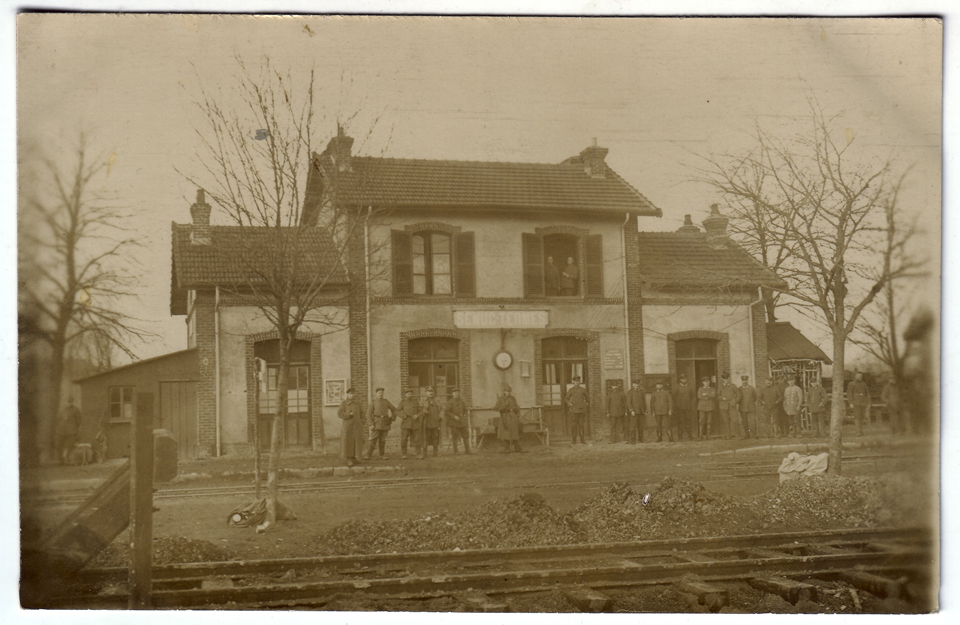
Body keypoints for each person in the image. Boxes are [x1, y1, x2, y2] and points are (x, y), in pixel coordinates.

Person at [364, 387, 397, 460]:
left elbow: (394, 409)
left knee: (382, 440)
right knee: (373, 439)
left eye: (382, 393)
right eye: (379, 393)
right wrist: (371, 424)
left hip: (385, 423)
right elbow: (368, 414)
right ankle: (368, 455)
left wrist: (392, 417)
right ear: (376, 394)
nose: (381, 394)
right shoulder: (373, 402)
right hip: (376, 423)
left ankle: (382, 455)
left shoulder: (386, 402)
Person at [337, 388, 363, 467]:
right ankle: (348, 459)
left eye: (353, 393)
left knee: (356, 441)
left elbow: (362, 413)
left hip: (357, 425)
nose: (352, 395)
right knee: (348, 441)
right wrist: (348, 414)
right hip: (348, 426)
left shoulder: (358, 403)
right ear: (347, 395)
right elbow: (339, 414)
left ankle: (354, 457)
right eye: (350, 393)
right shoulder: (344, 403)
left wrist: (363, 421)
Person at [494, 384, 522, 452]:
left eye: (509, 391)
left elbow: (517, 406)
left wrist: (517, 412)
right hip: (505, 417)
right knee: (505, 433)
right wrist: (503, 406)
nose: (508, 393)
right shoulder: (501, 399)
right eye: (507, 391)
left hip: (513, 417)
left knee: (514, 432)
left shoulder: (513, 398)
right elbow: (496, 408)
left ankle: (517, 448)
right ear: (504, 391)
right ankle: (507, 448)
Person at [443, 388, 471, 454]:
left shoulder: (462, 401)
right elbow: (446, 412)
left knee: (465, 435)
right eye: (455, 393)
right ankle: (456, 451)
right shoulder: (450, 402)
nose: (457, 394)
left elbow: (465, 410)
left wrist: (461, 416)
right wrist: (454, 416)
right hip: (454, 422)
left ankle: (467, 451)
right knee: (454, 436)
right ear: (452, 394)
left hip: (461, 422)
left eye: (458, 392)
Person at [56, 397, 82, 465]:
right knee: (59, 445)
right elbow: (59, 419)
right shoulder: (62, 410)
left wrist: (74, 427)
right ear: (65, 402)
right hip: (62, 431)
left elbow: (78, 421)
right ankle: (60, 460)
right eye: (68, 401)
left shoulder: (75, 410)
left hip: (71, 431)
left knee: (70, 446)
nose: (69, 403)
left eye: (71, 401)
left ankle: (68, 459)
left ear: (73, 402)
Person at [398, 389, 422, 459]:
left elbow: (421, 411)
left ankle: (418, 454)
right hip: (406, 423)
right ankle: (404, 454)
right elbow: (397, 411)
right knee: (404, 439)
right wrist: (402, 415)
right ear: (405, 395)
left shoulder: (416, 402)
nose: (409, 395)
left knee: (417, 439)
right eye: (408, 394)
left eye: (410, 393)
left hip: (415, 423)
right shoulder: (403, 402)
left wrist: (417, 415)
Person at [420, 386, 443, 457]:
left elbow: (442, 409)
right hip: (426, 423)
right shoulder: (423, 401)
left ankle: (435, 452)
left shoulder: (437, 400)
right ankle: (424, 453)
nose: (431, 392)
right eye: (429, 391)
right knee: (425, 438)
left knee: (435, 437)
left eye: (432, 391)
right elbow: (419, 411)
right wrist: (423, 411)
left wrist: (441, 415)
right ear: (426, 392)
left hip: (435, 422)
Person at [673, 374, 696, 441]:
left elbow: (693, 396)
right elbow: (674, 397)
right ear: (680, 380)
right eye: (682, 379)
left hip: (688, 408)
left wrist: (689, 403)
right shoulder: (677, 387)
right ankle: (680, 437)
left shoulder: (690, 387)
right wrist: (679, 404)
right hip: (680, 408)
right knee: (680, 422)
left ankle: (690, 436)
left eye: (685, 379)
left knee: (689, 421)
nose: (684, 380)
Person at [566, 376, 589, 444]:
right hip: (574, 410)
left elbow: (587, 398)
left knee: (581, 425)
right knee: (574, 425)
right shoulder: (571, 390)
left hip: (581, 410)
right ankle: (574, 440)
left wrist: (586, 404)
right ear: (573, 382)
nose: (577, 383)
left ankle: (582, 440)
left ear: (579, 382)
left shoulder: (583, 390)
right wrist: (569, 403)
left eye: (578, 381)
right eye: (575, 381)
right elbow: (566, 398)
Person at [717, 372, 740, 439]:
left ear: (729, 378)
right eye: (724, 379)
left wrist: (735, 401)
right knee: (726, 420)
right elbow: (718, 395)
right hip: (723, 406)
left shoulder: (733, 386)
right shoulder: (720, 387)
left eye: (727, 378)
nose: (726, 380)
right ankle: (728, 435)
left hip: (731, 405)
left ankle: (737, 434)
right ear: (722, 379)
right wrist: (721, 398)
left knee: (735, 420)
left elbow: (739, 395)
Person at [625, 379, 646, 443]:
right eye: (635, 384)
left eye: (638, 384)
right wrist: (631, 410)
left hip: (641, 412)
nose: (637, 385)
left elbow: (644, 402)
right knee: (633, 426)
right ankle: (633, 439)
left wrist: (645, 410)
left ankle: (641, 438)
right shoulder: (630, 392)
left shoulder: (641, 392)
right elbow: (628, 403)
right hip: (634, 412)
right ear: (633, 384)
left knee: (641, 426)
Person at [737, 375, 758, 439]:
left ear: (747, 380)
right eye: (743, 380)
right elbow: (738, 398)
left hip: (751, 408)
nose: (744, 381)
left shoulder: (751, 388)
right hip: (743, 408)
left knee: (753, 421)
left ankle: (754, 435)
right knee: (745, 422)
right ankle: (747, 434)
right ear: (742, 381)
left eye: (746, 380)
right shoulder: (739, 389)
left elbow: (755, 397)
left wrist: (751, 403)